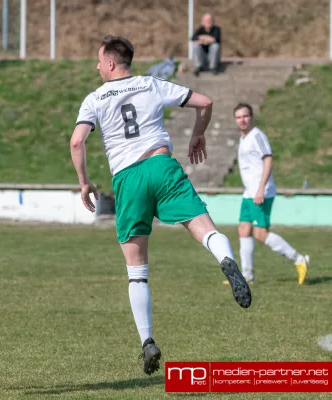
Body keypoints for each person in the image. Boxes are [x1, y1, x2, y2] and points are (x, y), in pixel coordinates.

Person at [70, 35, 251, 376]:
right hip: (163, 165)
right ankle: (225, 258)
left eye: (98, 61)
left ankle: (148, 340)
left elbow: (77, 140)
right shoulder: (151, 84)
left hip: (128, 179)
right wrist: (198, 134)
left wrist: (85, 182)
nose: (96, 66)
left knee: (137, 272)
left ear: (110, 63)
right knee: (206, 230)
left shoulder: (94, 98)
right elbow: (206, 101)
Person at [224, 103, 309, 285]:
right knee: (244, 229)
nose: (242, 120)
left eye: (245, 116)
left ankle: (299, 260)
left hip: (261, 192)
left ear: (252, 117)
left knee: (261, 233)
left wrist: (261, 188)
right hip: (249, 193)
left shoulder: (257, 136)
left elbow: (268, 160)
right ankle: (247, 276)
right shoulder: (243, 138)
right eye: (238, 117)